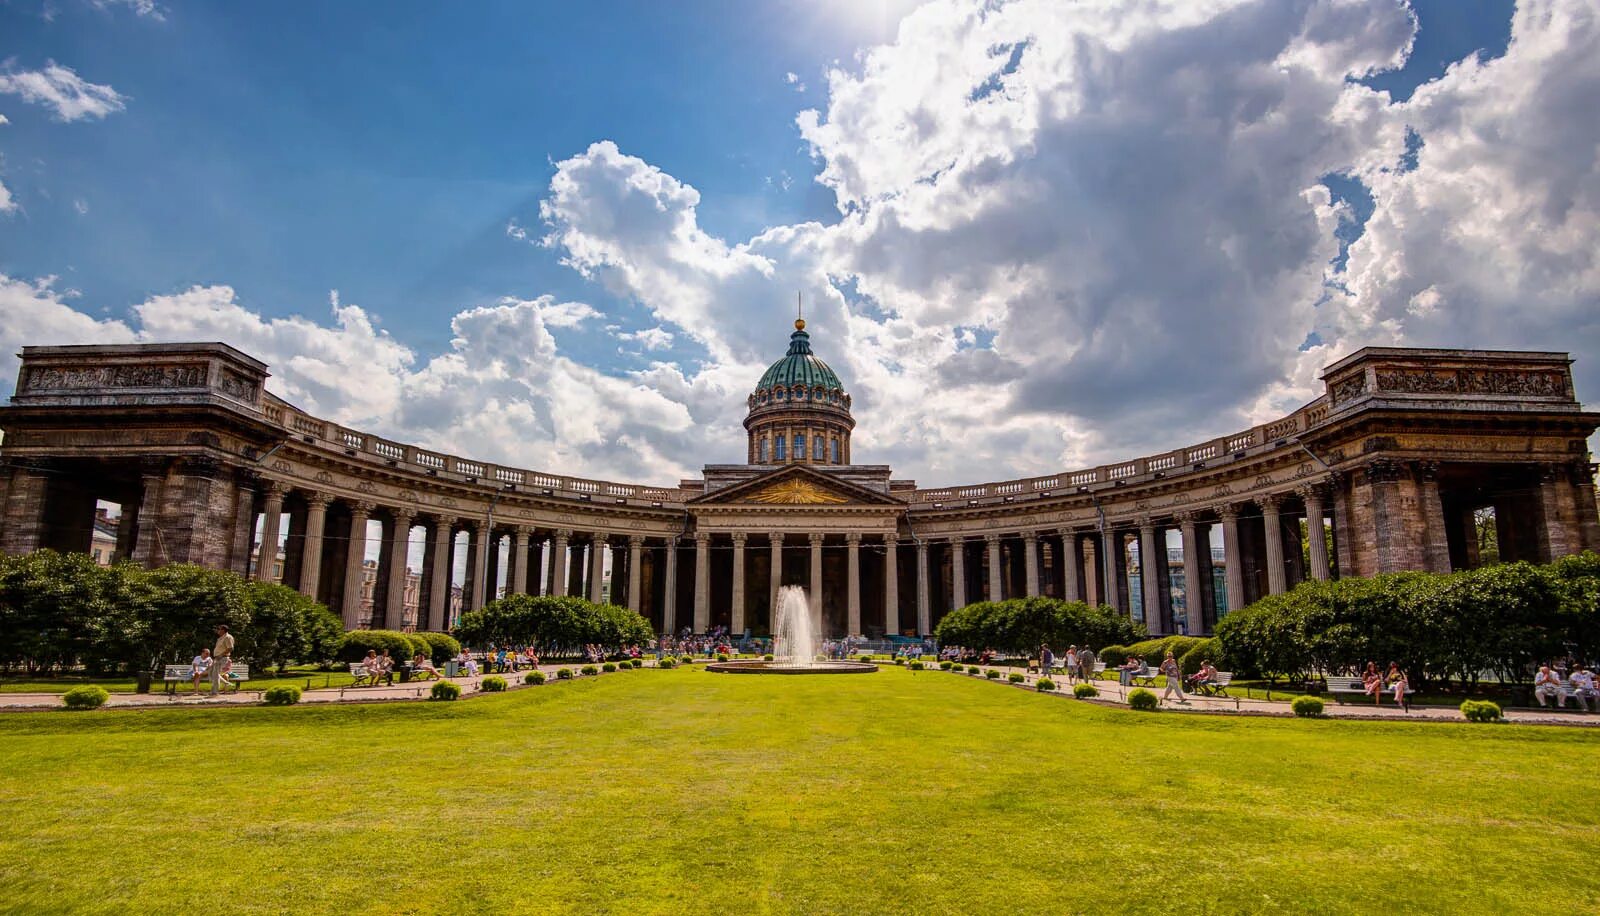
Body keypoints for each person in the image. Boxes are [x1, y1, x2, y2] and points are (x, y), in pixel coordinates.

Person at [209, 624, 234, 697]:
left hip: (222, 658)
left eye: (219, 629)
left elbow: (230, 648)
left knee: (215, 675)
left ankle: (214, 693)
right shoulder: (220, 638)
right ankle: (226, 682)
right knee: (211, 673)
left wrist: (221, 655)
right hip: (217, 658)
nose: (217, 630)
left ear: (223, 630)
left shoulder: (228, 637)